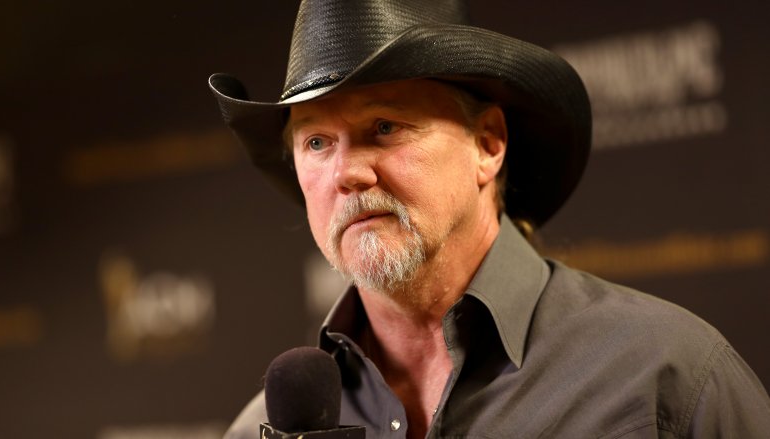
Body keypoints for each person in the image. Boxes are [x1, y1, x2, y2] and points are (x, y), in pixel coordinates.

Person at [209, 0, 770, 437]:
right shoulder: (263, 431)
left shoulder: (668, 379)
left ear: (488, 143)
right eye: (316, 142)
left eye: (385, 126)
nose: (346, 172)